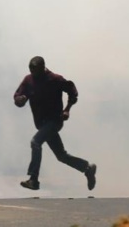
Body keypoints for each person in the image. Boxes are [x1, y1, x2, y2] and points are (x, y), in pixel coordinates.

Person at [14, 56, 96, 191]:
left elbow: (73, 92)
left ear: (43, 68)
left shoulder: (55, 79)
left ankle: (33, 179)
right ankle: (87, 168)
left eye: (36, 72)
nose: (33, 74)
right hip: (41, 123)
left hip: (54, 121)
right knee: (61, 156)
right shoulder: (28, 80)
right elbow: (17, 97)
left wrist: (67, 109)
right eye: (31, 71)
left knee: (35, 142)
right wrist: (20, 99)